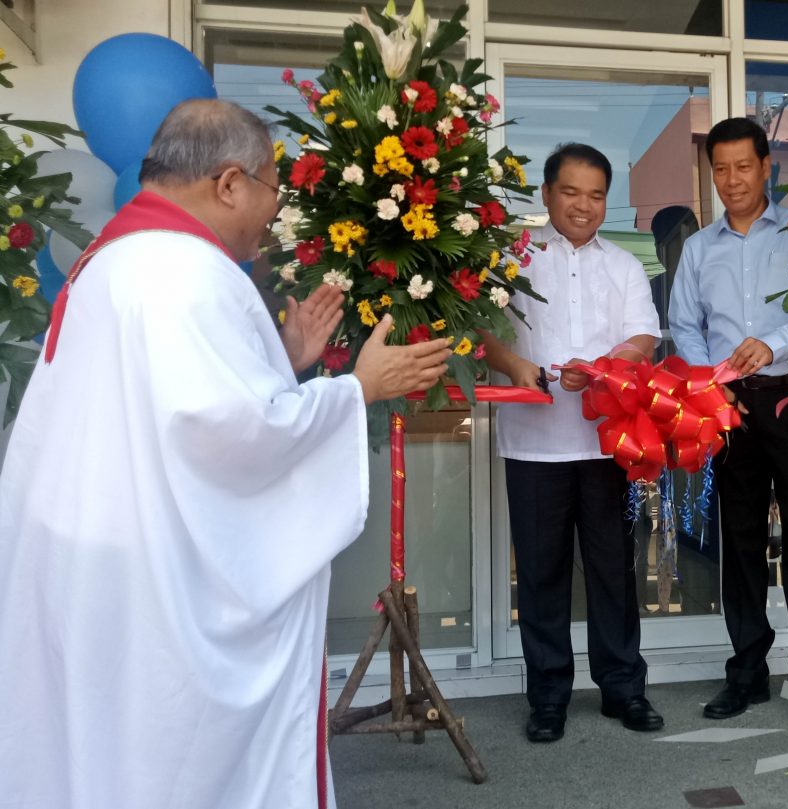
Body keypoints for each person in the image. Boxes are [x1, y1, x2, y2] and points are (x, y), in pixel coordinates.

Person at [0, 99, 451, 809]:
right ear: (231, 182)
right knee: (164, 761)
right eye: (274, 189)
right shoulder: (187, 274)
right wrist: (358, 388)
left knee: (100, 749)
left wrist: (285, 359)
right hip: (159, 583)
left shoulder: (119, 258)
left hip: (99, 560)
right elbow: (241, 437)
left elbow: (186, 415)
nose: (274, 213)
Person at [480, 143, 664, 743]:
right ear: (547, 194)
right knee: (541, 572)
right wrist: (513, 366)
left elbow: (644, 335)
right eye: (571, 192)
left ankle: (623, 689)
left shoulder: (624, 265)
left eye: (595, 194)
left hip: (609, 442)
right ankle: (549, 696)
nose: (584, 206)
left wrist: (609, 367)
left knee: (614, 570)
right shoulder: (513, 259)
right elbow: (482, 330)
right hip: (535, 442)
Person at [668, 117, 788, 729]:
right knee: (737, 544)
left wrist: (774, 343)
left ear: (767, 167)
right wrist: (715, 383)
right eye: (721, 168)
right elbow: (683, 326)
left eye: (744, 166)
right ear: (711, 173)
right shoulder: (697, 248)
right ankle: (747, 674)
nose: (732, 180)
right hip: (727, 407)